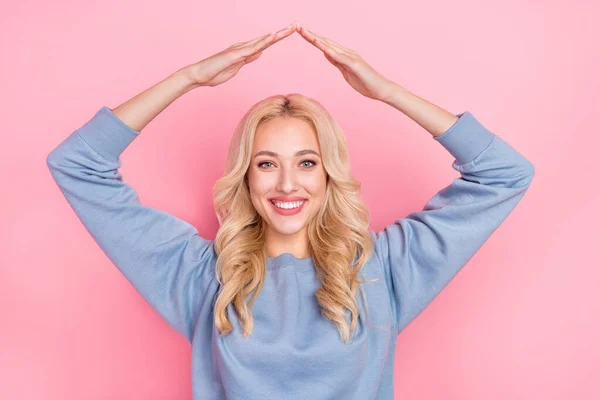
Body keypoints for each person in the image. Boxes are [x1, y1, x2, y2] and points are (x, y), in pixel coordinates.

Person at [46, 22, 535, 400]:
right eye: (266, 164)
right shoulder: (201, 279)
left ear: (328, 174)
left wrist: (387, 92)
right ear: (246, 176)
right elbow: (76, 165)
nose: (286, 183)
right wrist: (189, 78)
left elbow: (505, 174)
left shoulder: (381, 271)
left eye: (306, 162)